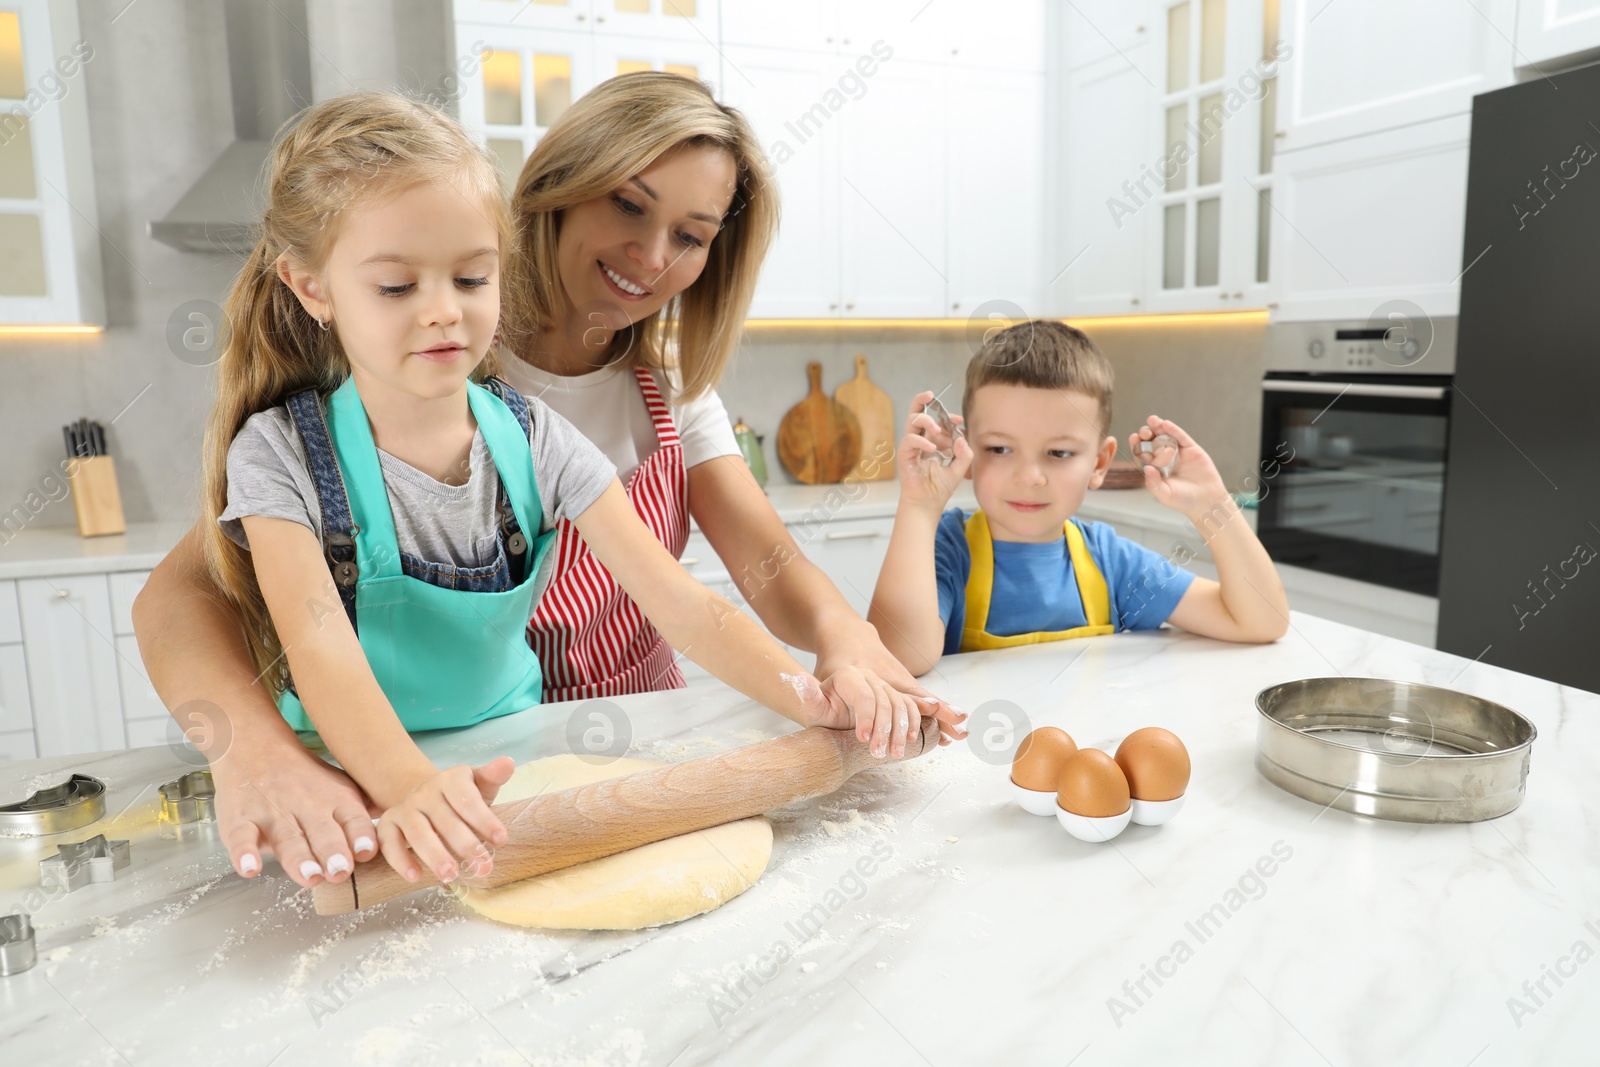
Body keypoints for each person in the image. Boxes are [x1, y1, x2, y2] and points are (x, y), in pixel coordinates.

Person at [134, 74, 964, 891]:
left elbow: (715, 592)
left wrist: (833, 665)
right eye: (629, 205)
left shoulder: (604, 409)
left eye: (693, 232)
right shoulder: (334, 422)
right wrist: (332, 768)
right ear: (559, 190)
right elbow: (280, 635)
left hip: (608, 759)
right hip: (436, 778)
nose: (652, 254)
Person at [869, 320, 1289, 672]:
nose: (1030, 477)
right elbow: (898, 656)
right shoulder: (947, 551)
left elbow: (1259, 620)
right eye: (999, 449)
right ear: (968, 453)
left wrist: (1211, 504)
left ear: (1100, 463)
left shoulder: (1112, 563)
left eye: (1058, 453)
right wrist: (920, 508)